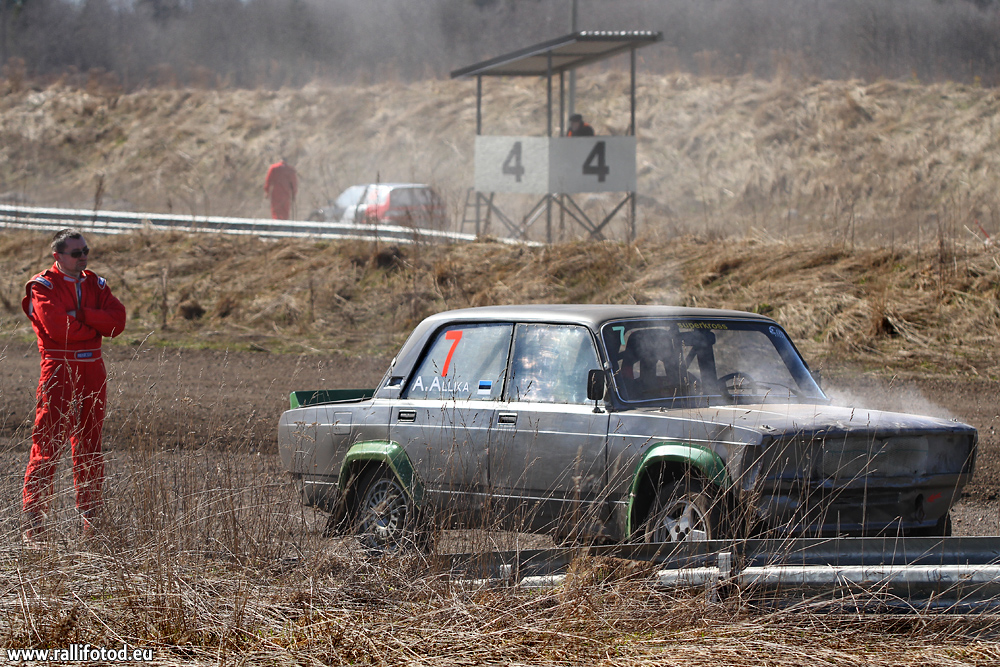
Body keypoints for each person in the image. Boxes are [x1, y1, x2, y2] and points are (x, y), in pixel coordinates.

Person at [21, 229, 127, 541]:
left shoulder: (96, 283)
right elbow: (58, 329)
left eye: (85, 251)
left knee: (90, 445)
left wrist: (80, 315)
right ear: (58, 256)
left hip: (93, 368)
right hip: (59, 368)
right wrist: (94, 325)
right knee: (47, 443)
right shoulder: (42, 286)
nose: (83, 257)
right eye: (76, 253)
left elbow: (117, 323)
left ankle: (91, 522)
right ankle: (35, 524)